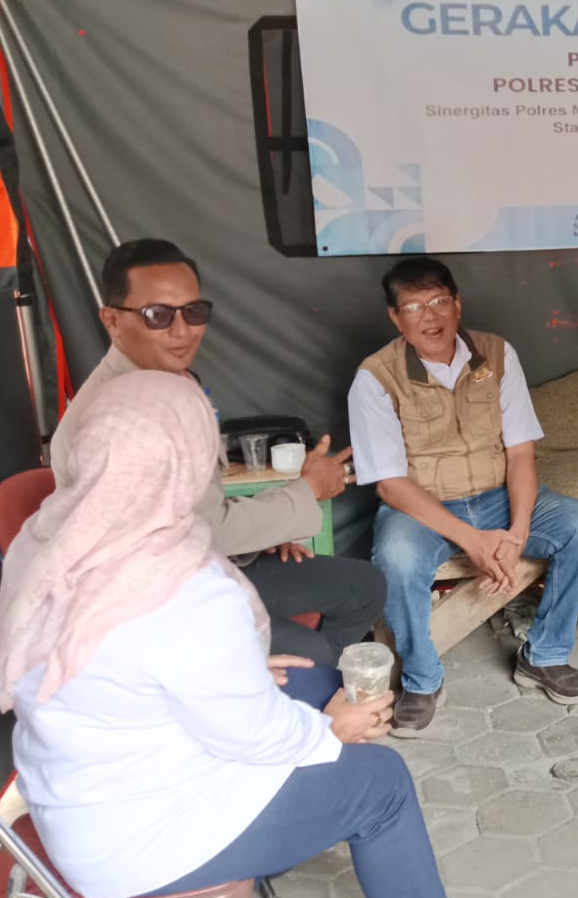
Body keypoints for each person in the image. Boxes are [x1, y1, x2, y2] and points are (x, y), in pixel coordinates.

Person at [0, 371, 532, 898]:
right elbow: (252, 731)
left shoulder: (47, 539)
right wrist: (328, 732)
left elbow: (130, 666)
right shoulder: (182, 590)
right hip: (137, 838)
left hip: (88, 779)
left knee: (312, 677)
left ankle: (311, 821)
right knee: (380, 782)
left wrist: (240, 673)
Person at [49, 238, 385, 669]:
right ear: (112, 320)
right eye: (157, 315)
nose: (182, 330)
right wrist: (309, 490)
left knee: (363, 587)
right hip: (150, 603)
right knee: (307, 655)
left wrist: (265, 532)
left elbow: (199, 510)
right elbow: (207, 532)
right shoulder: (124, 420)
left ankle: (298, 693)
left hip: (204, 564)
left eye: (193, 312)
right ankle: (273, 691)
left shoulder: (166, 379)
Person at [348, 257, 578, 734]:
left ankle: (544, 656)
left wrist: (517, 532)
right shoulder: (375, 378)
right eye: (414, 307)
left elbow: (521, 452)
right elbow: (390, 485)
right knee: (398, 557)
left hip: (497, 497)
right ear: (395, 318)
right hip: (422, 510)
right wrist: (475, 542)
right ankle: (422, 681)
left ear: (458, 305)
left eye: (439, 301)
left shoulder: (497, 354)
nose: (430, 316)